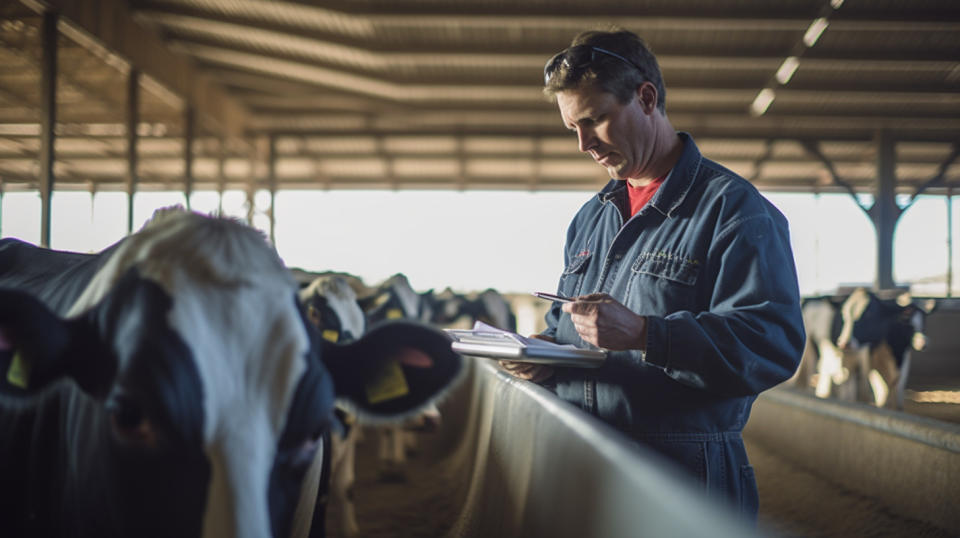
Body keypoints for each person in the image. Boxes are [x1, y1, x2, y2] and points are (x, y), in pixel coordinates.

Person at [500, 29, 805, 521]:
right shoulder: (591, 218)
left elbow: (771, 344)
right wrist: (544, 356)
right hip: (589, 461)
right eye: (572, 128)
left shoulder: (735, 211)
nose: (582, 144)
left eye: (595, 120)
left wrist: (648, 334)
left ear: (646, 98)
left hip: (686, 473)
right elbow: (569, 326)